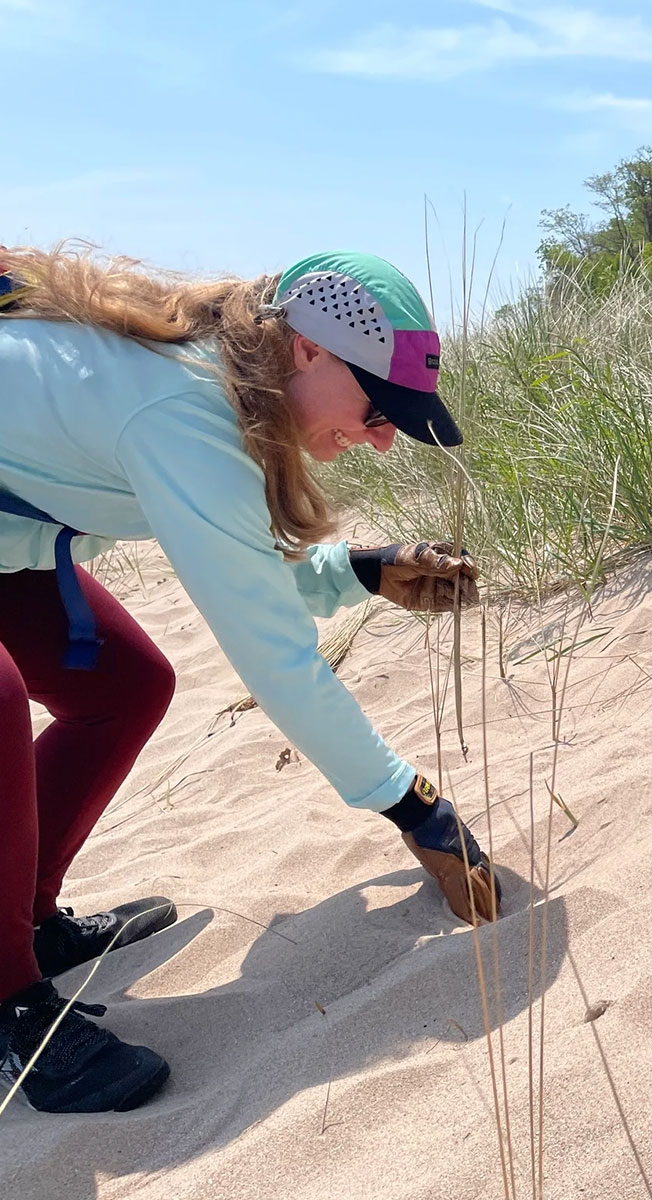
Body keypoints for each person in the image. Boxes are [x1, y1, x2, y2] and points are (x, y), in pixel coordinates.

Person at [0, 245, 501, 1115]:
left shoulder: (223, 390)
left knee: (123, 686)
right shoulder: (178, 407)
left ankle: (28, 924)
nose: (381, 437)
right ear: (309, 350)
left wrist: (368, 571)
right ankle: (10, 1009)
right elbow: (275, 657)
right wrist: (417, 808)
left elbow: (251, 567)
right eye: (379, 406)